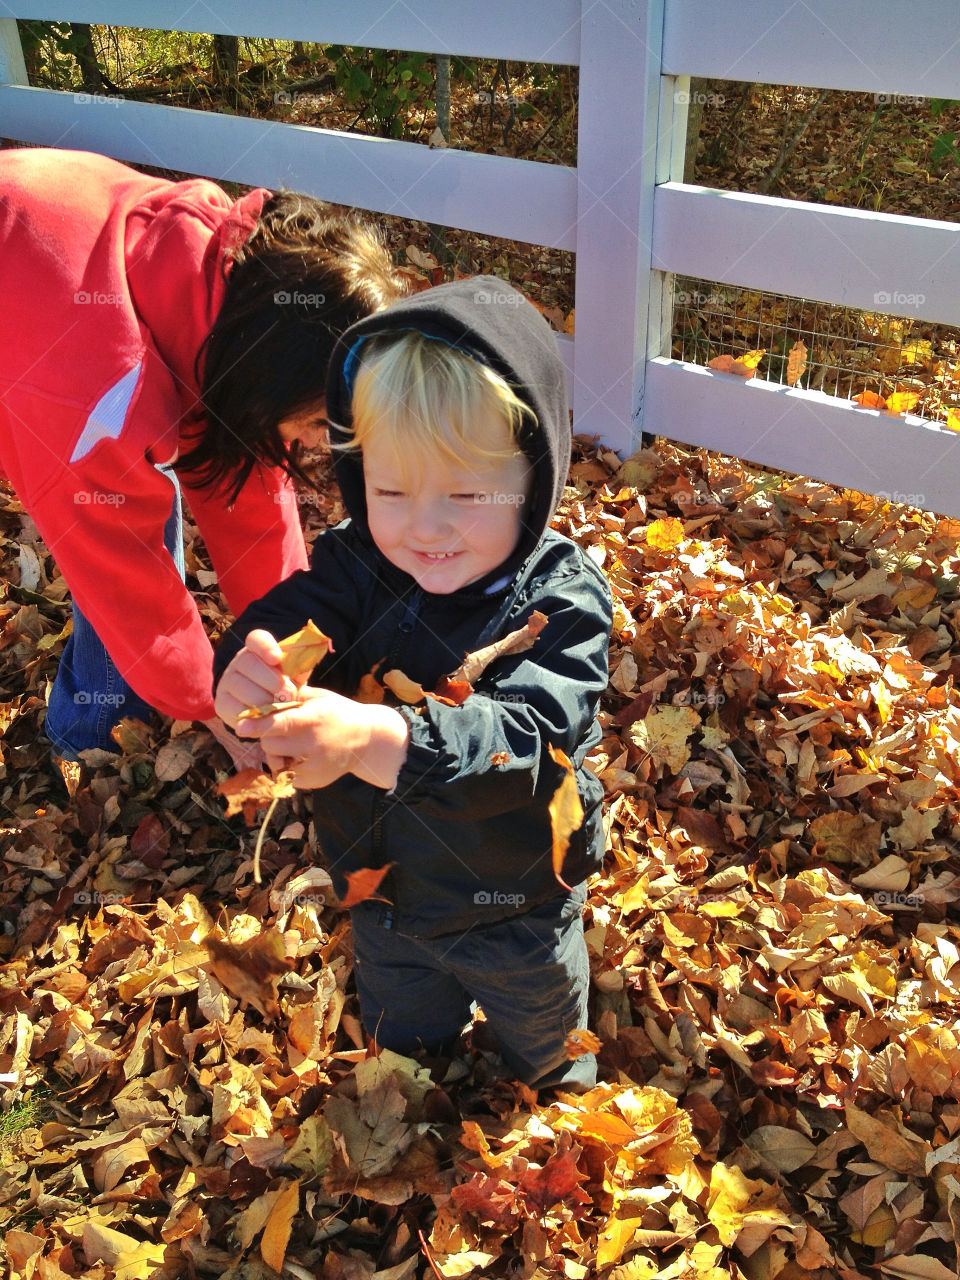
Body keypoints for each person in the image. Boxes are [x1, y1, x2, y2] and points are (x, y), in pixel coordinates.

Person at [213, 276, 613, 1091]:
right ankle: (415, 1083)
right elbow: (276, 624)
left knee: (545, 1046)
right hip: (385, 896)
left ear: (532, 478)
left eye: (466, 494)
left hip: (519, 904)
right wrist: (243, 670)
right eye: (391, 491)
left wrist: (377, 737)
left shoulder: (559, 598)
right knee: (405, 1042)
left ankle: (553, 1103)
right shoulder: (359, 563)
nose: (425, 527)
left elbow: (529, 743)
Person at [0, 146, 402, 758]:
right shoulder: (98, 391)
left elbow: (245, 486)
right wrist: (212, 697)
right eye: (322, 419)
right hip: (43, 330)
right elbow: (122, 570)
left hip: (40, 249)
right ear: (278, 376)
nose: (322, 440)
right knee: (124, 521)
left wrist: (290, 646)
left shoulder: (232, 281)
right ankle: (86, 735)